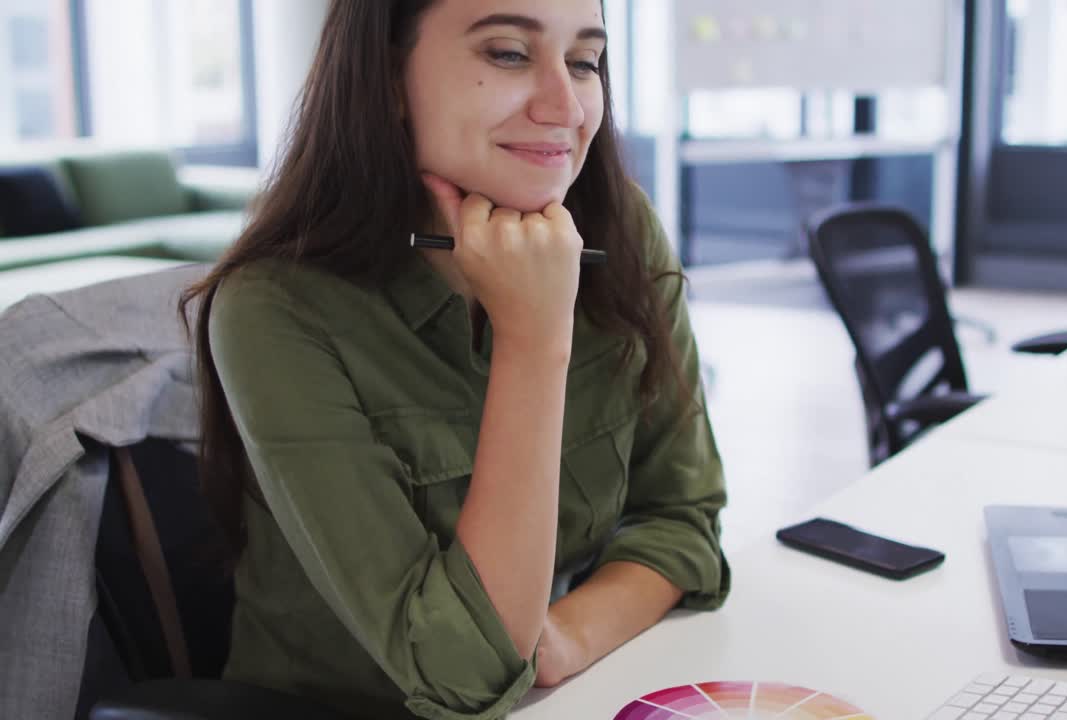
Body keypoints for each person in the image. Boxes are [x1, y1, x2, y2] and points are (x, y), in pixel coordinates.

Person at [179, 1, 730, 717]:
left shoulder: (620, 233)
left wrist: (561, 636)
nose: (566, 106)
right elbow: (466, 674)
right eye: (507, 53)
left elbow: (685, 519)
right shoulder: (275, 309)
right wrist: (534, 343)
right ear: (384, 79)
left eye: (585, 61)